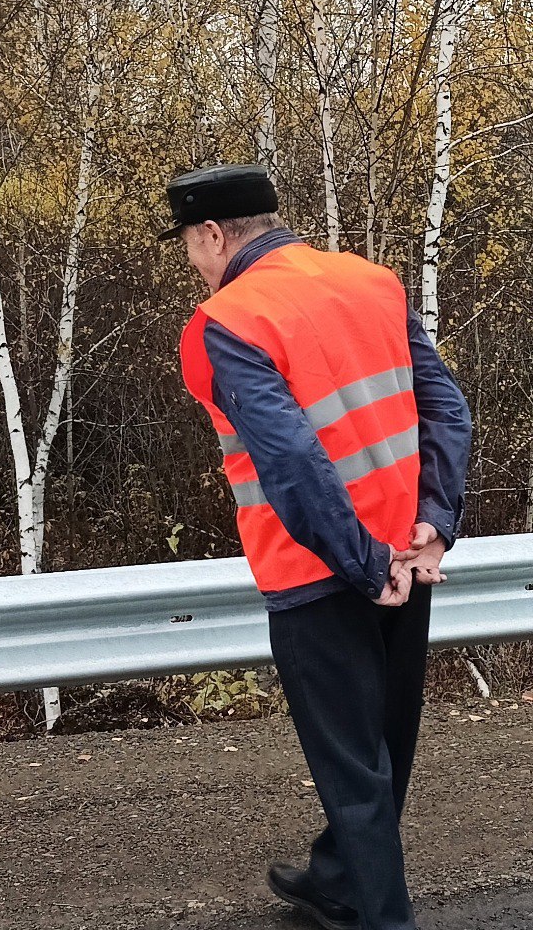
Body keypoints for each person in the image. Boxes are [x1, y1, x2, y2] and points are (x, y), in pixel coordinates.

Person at [166, 165, 472, 930]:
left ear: (212, 234)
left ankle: (379, 917)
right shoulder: (372, 281)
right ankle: (338, 880)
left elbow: (293, 463)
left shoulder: (225, 321)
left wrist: (364, 568)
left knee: (350, 769)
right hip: (407, 555)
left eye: (190, 248)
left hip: (320, 571)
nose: (195, 267)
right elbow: (447, 409)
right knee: (383, 750)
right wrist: (432, 521)